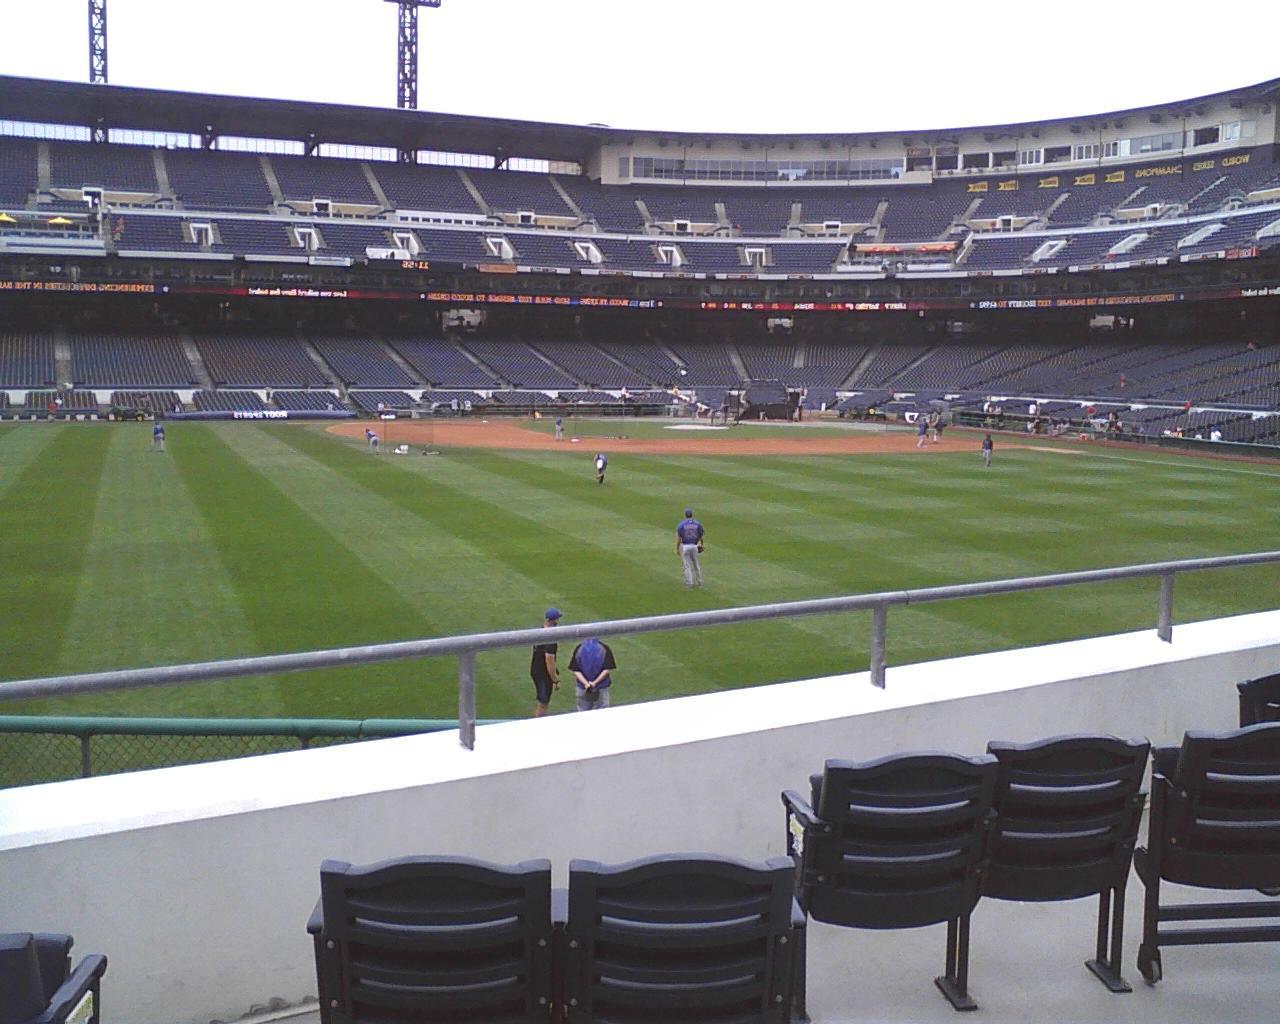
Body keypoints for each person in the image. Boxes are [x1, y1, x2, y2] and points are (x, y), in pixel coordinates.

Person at [530, 607, 562, 717]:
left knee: (542, 700)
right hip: (543, 673)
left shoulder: (539, 631)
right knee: (543, 702)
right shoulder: (550, 638)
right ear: (553, 620)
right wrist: (555, 680)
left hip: (535, 669)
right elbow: (549, 661)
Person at [569, 636, 616, 711]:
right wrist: (594, 683)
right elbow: (606, 669)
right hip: (601, 687)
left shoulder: (579, 648)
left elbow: (576, 670)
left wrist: (586, 684)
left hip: (582, 688)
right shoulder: (604, 648)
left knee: (583, 714)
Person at [676, 507, 705, 587]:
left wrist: (677, 548)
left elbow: (679, 538)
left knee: (687, 566)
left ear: (685, 515)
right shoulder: (697, 523)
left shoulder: (681, 524)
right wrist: (702, 544)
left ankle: (689, 583)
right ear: (692, 515)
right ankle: (699, 582)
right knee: (696, 565)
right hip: (695, 546)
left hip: (685, 547)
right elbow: (701, 536)